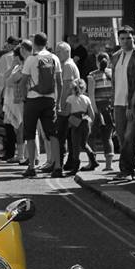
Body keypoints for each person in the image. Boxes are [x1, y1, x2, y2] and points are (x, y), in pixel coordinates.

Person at [20, 32, 62, 178]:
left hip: (33, 100)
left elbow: (23, 81)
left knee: (30, 134)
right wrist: (58, 101)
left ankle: (31, 166)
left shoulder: (31, 59)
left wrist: (24, 97)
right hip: (50, 100)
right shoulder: (54, 58)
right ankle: (58, 166)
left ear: (34, 43)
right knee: (53, 134)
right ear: (46, 42)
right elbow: (60, 82)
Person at [111, 25, 135, 179]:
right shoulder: (115, 56)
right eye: (123, 38)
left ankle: (126, 171)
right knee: (121, 136)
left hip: (134, 103)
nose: (126, 41)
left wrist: (131, 104)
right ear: (118, 39)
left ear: (134, 38)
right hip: (117, 103)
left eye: (129, 38)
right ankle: (127, 168)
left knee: (130, 136)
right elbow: (115, 82)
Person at [87, 52, 115, 173]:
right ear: (108, 61)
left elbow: (91, 95)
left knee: (91, 136)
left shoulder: (92, 75)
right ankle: (109, 165)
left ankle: (92, 162)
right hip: (110, 108)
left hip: (97, 107)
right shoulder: (113, 74)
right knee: (107, 137)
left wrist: (93, 111)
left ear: (97, 62)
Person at [55, 41, 80, 173]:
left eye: (59, 51)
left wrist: (61, 104)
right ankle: (71, 161)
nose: (56, 54)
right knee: (70, 136)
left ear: (67, 52)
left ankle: (60, 163)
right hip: (71, 105)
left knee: (62, 135)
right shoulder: (69, 64)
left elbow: (66, 87)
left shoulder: (67, 66)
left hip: (67, 106)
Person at [65, 78, 97, 173]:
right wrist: (90, 122)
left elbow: (67, 112)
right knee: (83, 143)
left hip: (75, 123)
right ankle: (93, 159)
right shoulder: (86, 99)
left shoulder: (70, 99)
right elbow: (92, 114)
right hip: (85, 122)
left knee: (75, 145)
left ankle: (75, 167)